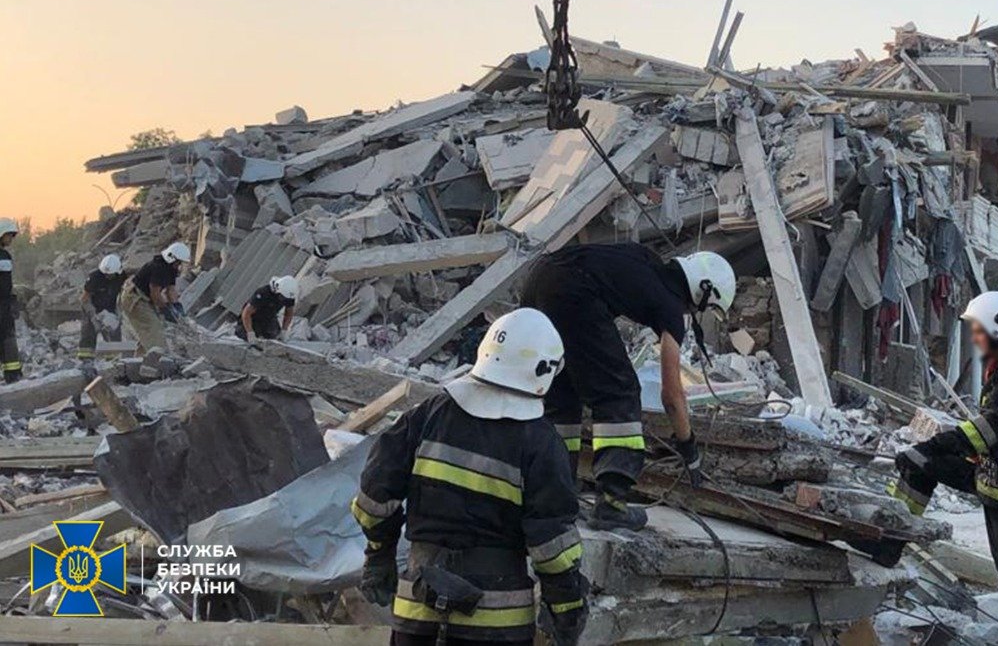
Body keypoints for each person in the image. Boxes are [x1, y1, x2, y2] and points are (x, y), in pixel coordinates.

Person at [352, 308, 587, 646]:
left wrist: (379, 554)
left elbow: (373, 500)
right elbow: (552, 545)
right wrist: (567, 608)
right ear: (544, 370)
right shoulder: (541, 443)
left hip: (418, 611)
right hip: (496, 624)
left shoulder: (429, 414)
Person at [889, 291, 998, 646]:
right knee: (919, 463)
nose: (973, 337)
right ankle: (889, 538)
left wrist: (936, 444)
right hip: (994, 474)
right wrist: (930, 451)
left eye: (977, 329)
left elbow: (986, 430)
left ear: (997, 330)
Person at [522, 244, 736, 530]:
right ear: (702, 290)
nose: (693, 313)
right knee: (619, 393)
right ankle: (612, 504)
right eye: (702, 308)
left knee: (564, 396)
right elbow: (672, 395)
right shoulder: (671, 305)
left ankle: (555, 498)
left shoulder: (647, 262)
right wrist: (688, 446)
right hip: (575, 291)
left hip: (539, 279)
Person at [117, 242, 190, 353]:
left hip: (145, 298)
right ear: (172, 258)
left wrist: (176, 306)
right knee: (154, 329)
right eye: (178, 262)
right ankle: (158, 358)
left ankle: (142, 359)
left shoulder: (171, 268)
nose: (179, 265)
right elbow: (155, 294)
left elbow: (171, 290)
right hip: (134, 298)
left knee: (149, 331)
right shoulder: (158, 268)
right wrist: (165, 310)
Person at [79, 254, 127, 360]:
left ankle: (113, 360)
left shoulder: (121, 277)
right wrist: (93, 316)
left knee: (113, 333)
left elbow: (124, 293)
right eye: (105, 274)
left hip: (110, 308)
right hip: (92, 307)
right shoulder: (95, 277)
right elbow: (84, 299)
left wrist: (119, 312)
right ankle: (85, 359)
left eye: (110, 275)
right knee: (88, 332)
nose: (107, 276)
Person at [236, 275, 298, 342]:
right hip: (252, 318)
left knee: (275, 339)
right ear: (277, 290)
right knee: (245, 337)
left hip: (269, 318)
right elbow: (246, 313)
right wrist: (250, 333)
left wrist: (284, 330)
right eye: (282, 297)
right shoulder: (263, 293)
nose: (284, 300)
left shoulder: (288, 295)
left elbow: (289, 312)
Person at [0, 218, 23, 383]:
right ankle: (13, 376)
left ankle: (12, 375)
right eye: (9, 235)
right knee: (8, 339)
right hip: (2, 305)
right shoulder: (3, 256)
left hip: (4, 303)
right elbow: (5, 284)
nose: (11, 239)